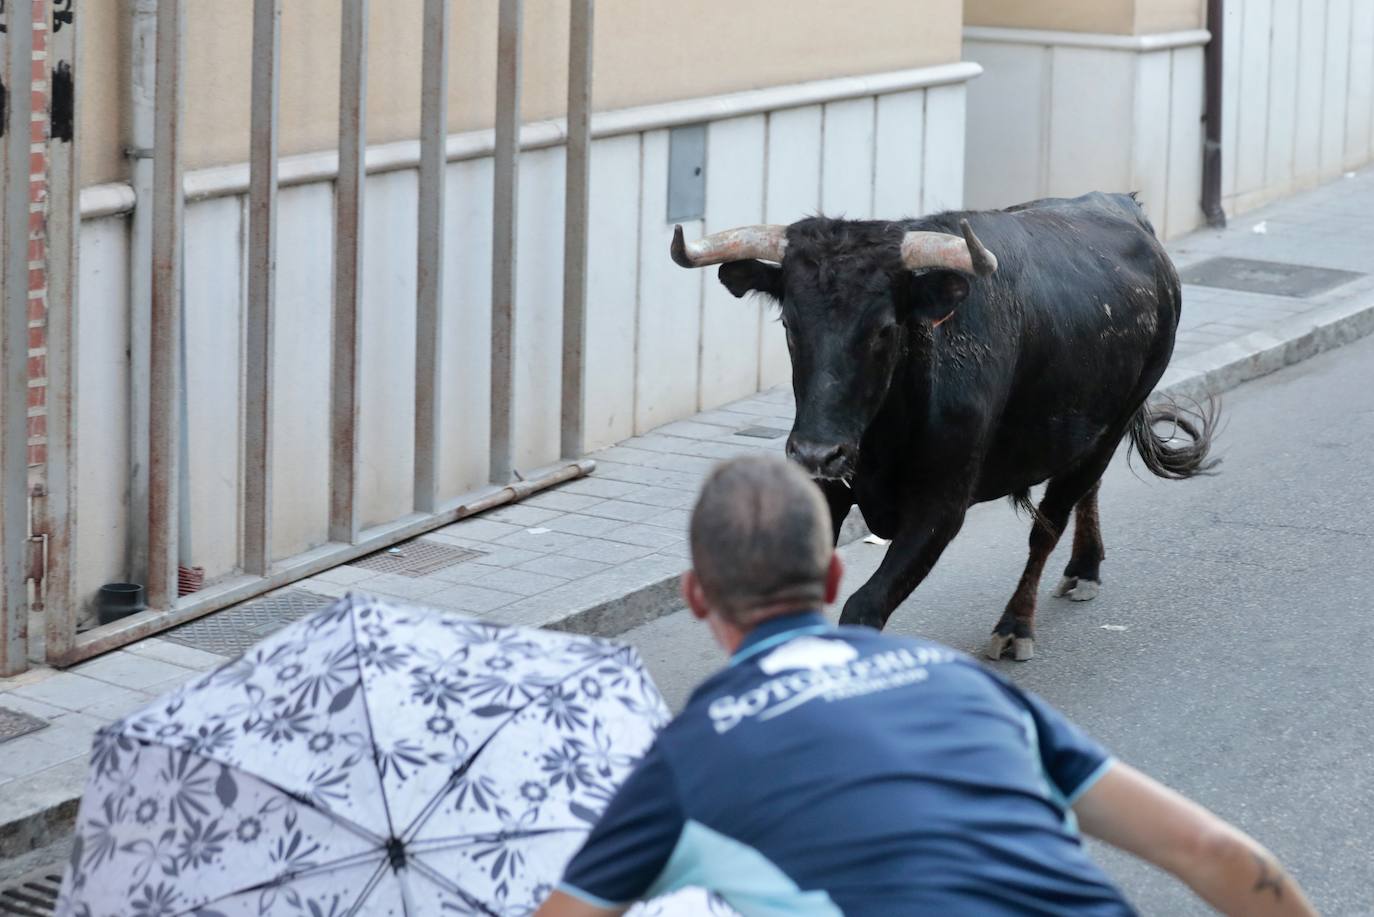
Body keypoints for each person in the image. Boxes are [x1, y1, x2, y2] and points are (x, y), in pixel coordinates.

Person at [535, 455, 1316, 917]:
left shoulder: (684, 761)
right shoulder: (961, 682)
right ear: (835, 574)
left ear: (696, 594)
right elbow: (1207, 848)